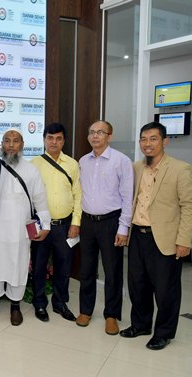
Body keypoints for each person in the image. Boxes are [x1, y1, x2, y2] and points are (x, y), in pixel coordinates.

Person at [120, 122, 192, 350]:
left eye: (153, 139)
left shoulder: (180, 169)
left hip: (164, 238)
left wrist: (184, 240)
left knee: (165, 290)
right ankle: (141, 324)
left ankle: (163, 332)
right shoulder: (135, 168)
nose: (147, 143)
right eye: (144, 139)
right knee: (138, 285)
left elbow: (189, 207)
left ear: (164, 141)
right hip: (137, 235)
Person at [0, 130, 50, 326]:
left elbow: (40, 200)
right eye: (7, 141)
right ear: (2, 144)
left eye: (16, 141)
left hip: (20, 230)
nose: (11, 145)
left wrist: (45, 225)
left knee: (18, 265)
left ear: (22, 144)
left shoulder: (31, 170)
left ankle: (15, 306)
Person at [77, 120, 133, 335]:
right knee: (86, 269)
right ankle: (85, 310)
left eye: (100, 132)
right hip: (87, 222)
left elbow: (127, 198)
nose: (95, 136)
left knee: (112, 271)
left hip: (111, 222)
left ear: (109, 136)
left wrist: (123, 227)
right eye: (92, 132)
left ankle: (111, 315)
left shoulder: (121, 161)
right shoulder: (83, 161)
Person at [30, 122, 82, 322]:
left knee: (64, 266)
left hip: (65, 226)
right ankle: (39, 303)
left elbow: (78, 195)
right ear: (44, 140)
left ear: (64, 141)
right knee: (39, 266)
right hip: (41, 226)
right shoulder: (34, 164)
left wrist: (76, 223)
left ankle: (60, 303)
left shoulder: (72, 164)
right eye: (50, 138)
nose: (54, 142)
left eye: (58, 138)